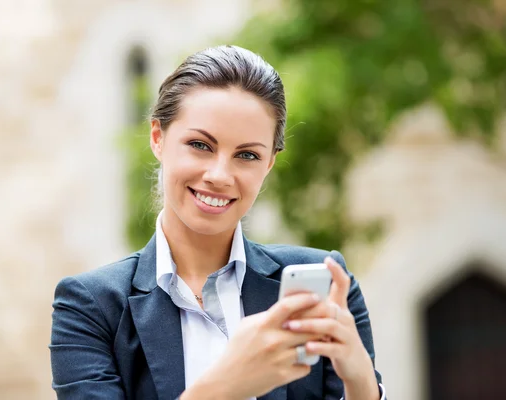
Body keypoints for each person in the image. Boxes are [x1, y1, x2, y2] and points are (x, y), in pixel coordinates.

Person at [50, 45, 386, 400]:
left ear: (269, 163)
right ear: (157, 138)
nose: (220, 175)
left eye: (247, 155)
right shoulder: (91, 306)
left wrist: (361, 382)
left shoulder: (326, 286)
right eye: (200, 145)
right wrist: (226, 385)